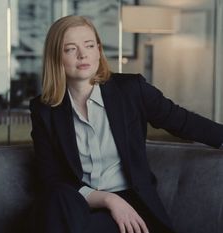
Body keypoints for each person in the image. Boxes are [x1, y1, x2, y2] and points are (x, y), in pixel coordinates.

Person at [29, 15, 223, 233]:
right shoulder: (44, 109)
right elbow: (49, 177)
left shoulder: (131, 90)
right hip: (79, 201)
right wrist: (108, 200)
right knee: (57, 198)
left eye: (89, 45)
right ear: (56, 57)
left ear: (98, 50)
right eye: (70, 49)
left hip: (131, 204)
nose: (83, 55)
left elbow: (182, 120)